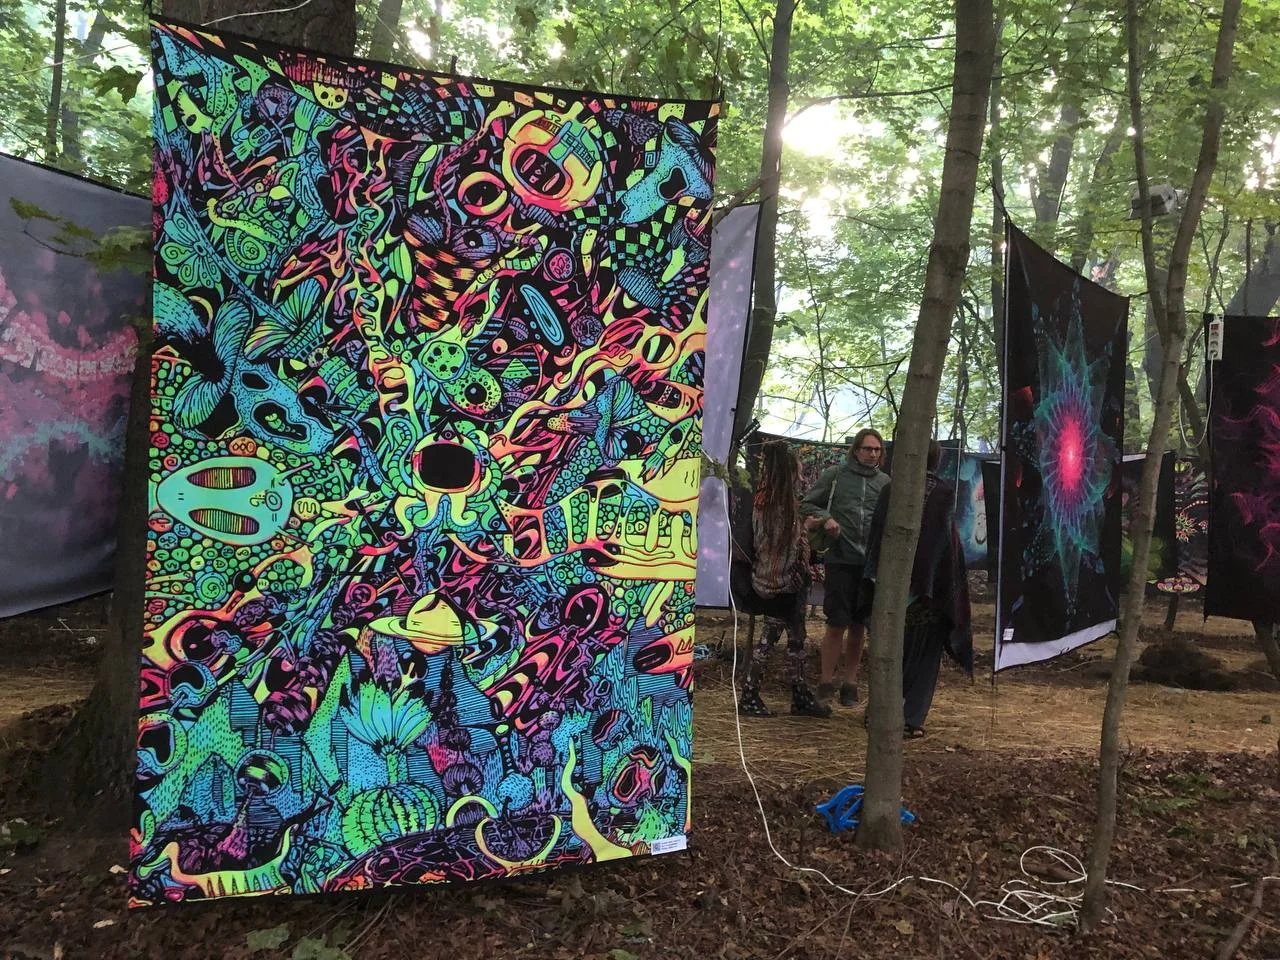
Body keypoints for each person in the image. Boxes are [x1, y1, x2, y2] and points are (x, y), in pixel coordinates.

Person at [858, 440, 973, 737]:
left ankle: (879, 713)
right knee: (922, 657)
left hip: (893, 588)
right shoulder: (941, 492)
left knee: (890, 652)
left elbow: (876, 539)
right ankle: (910, 719)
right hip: (928, 593)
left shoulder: (891, 490)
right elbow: (948, 545)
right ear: (936, 461)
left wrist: (876, 577)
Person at [738, 441, 831, 718]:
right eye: (798, 471)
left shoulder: (765, 501)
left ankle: (799, 694)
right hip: (781, 583)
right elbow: (786, 547)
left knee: (797, 639)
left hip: (775, 580)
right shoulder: (779, 507)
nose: (801, 476)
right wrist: (807, 528)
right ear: (788, 473)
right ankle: (750, 694)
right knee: (769, 639)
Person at [800, 428, 890, 706]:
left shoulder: (885, 482)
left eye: (877, 450)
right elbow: (807, 504)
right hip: (840, 559)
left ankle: (850, 683)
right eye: (867, 449)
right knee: (836, 622)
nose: (872, 454)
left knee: (858, 625)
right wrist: (826, 518)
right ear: (856, 450)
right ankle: (826, 682)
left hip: (870, 565)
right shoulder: (835, 476)